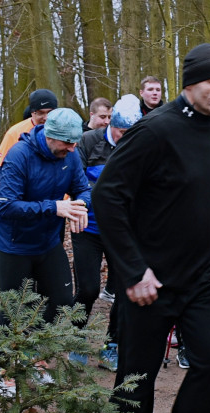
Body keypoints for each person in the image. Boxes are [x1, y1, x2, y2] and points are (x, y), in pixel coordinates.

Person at [92, 43, 210, 413]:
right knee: (137, 374)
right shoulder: (153, 131)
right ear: (190, 83)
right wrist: (132, 271)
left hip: (206, 273)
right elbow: (108, 198)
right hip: (149, 281)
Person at [0, 107, 90, 391]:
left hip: (48, 241)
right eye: (67, 143)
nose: (72, 148)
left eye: (75, 142)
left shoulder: (70, 156)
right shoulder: (19, 156)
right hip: (14, 243)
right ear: (50, 136)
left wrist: (82, 205)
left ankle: (32, 357)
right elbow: (7, 205)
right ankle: (1, 369)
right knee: (15, 307)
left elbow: (83, 189)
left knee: (60, 301)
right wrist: (54, 207)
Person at [74, 94, 141, 372]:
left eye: (130, 133)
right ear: (111, 124)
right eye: (121, 132)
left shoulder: (139, 145)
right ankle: (75, 339)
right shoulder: (89, 141)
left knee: (123, 292)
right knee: (88, 288)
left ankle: (111, 346)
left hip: (122, 231)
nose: (125, 137)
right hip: (88, 227)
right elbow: (75, 180)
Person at [0, 89, 58, 167]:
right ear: (32, 112)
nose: (46, 118)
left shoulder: (65, 130)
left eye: (50, 112)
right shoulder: (14, 133)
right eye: (40, 113)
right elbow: (1, 167)